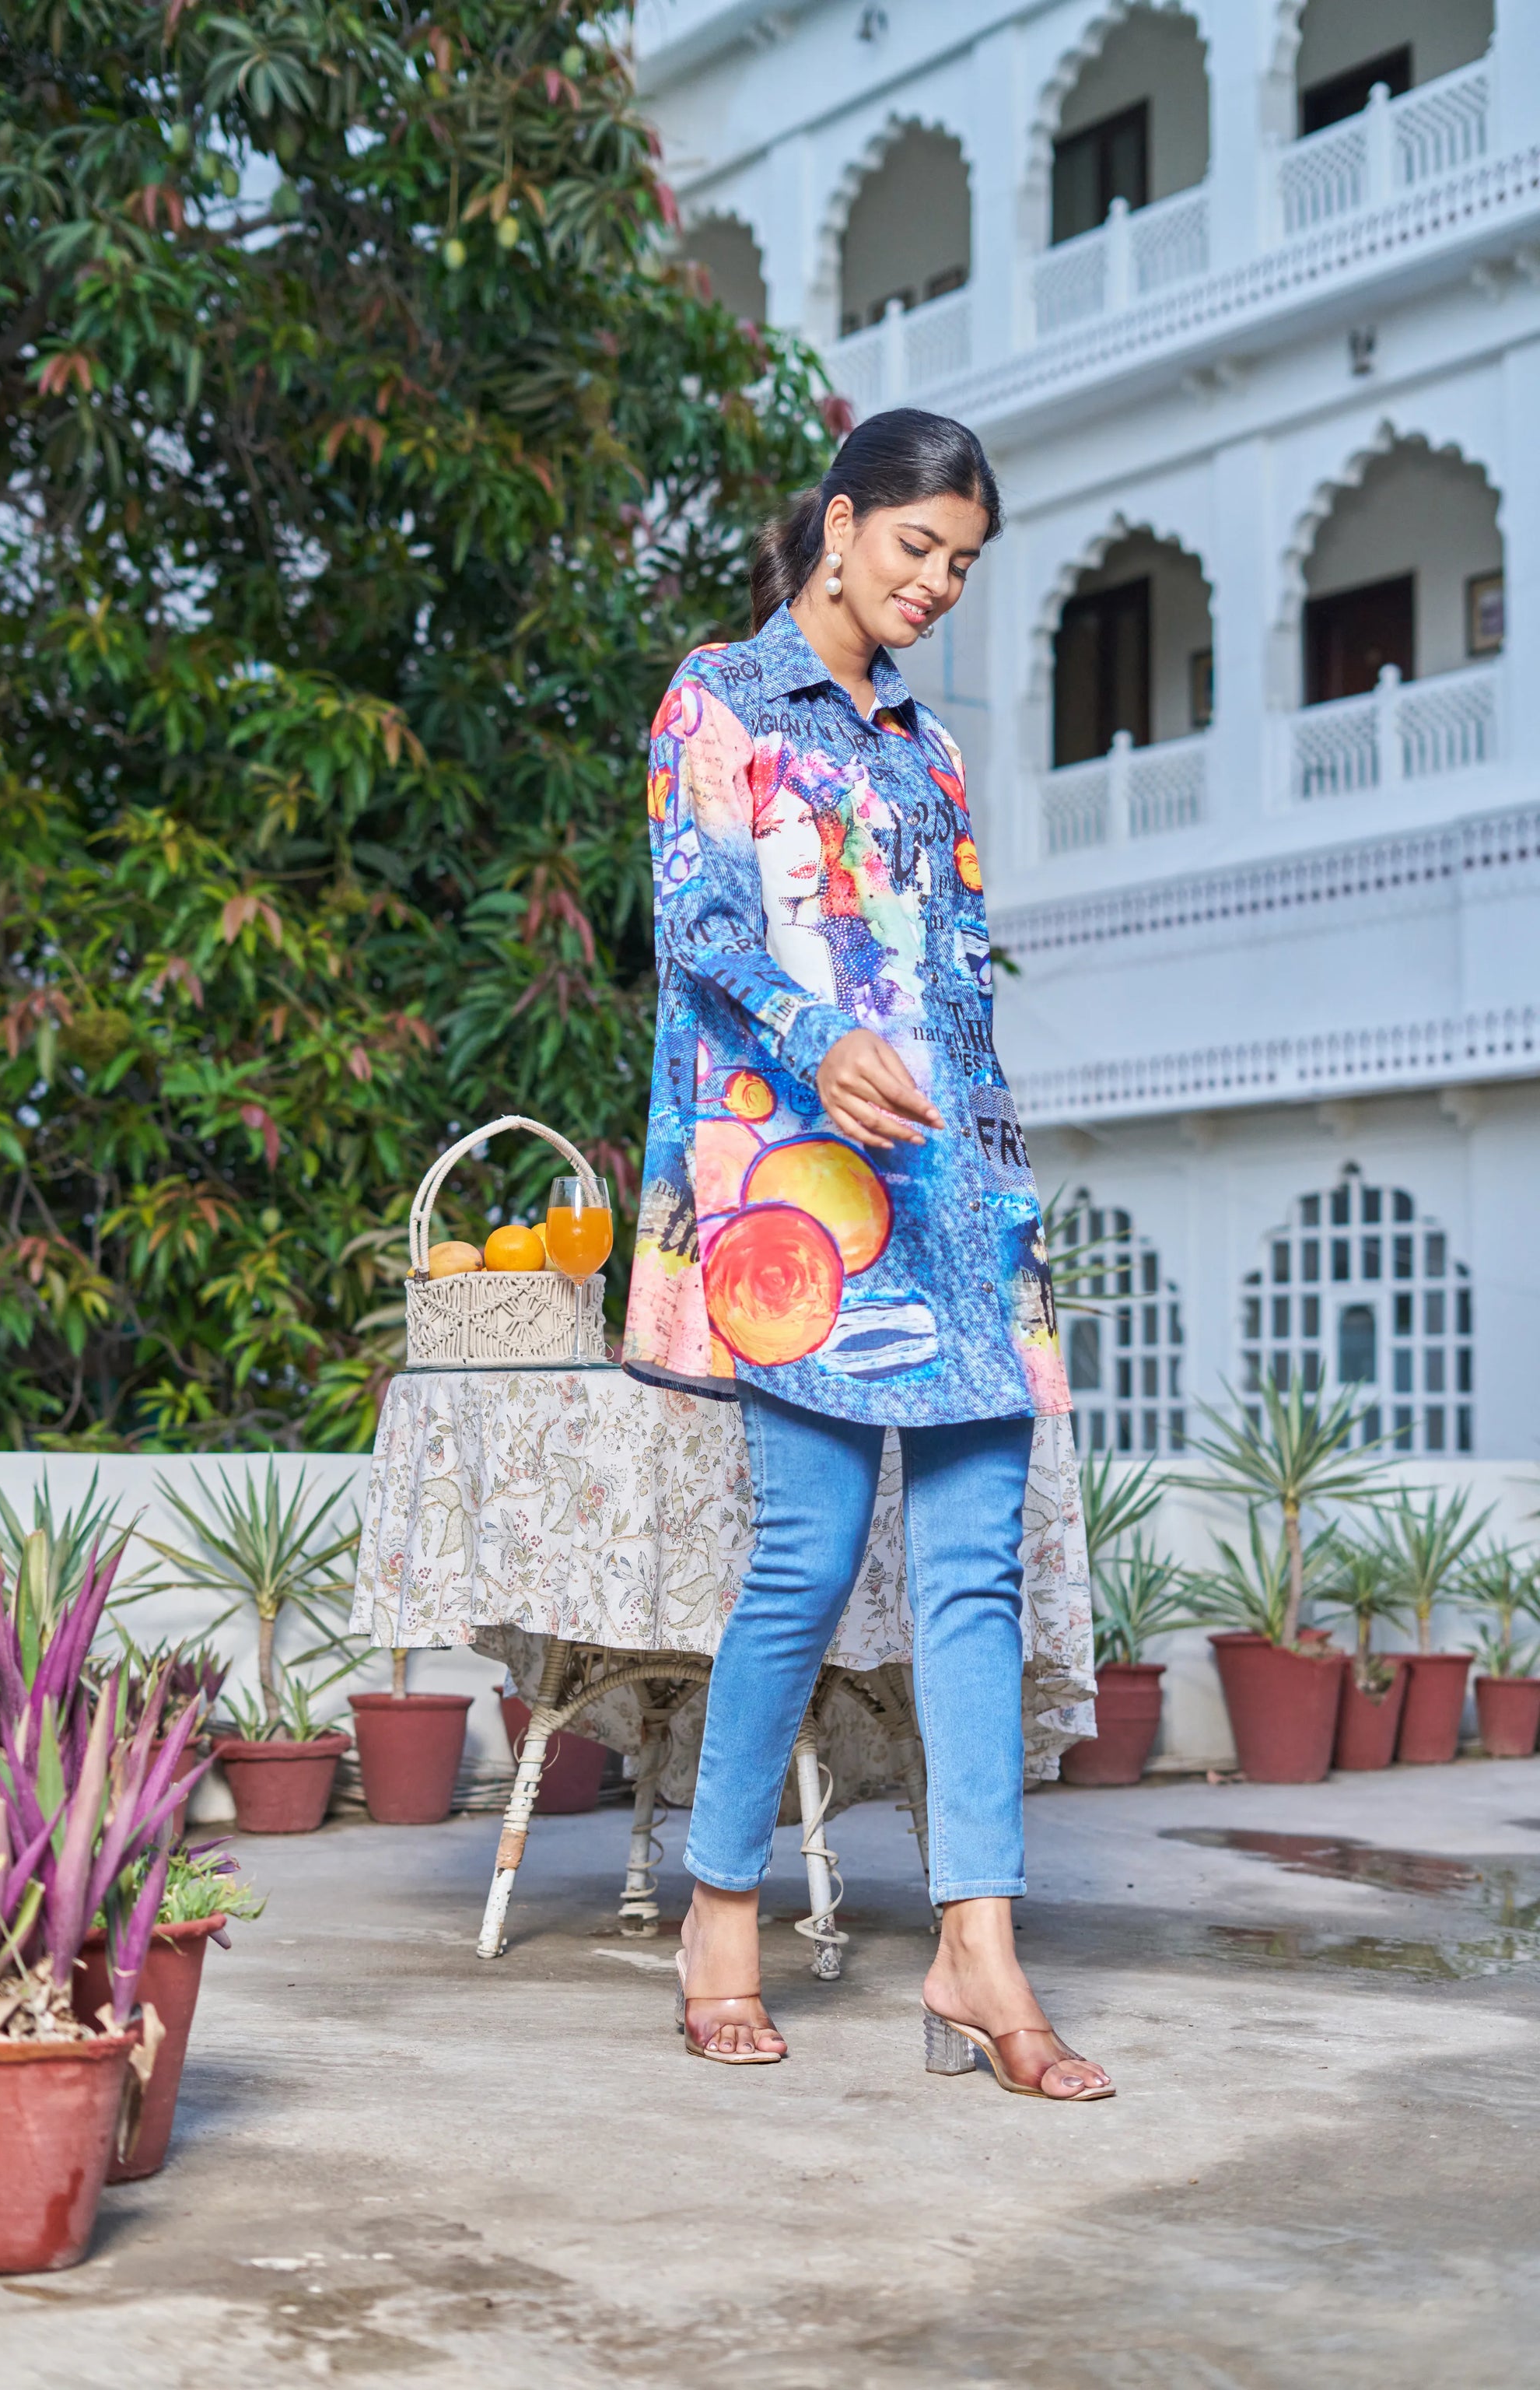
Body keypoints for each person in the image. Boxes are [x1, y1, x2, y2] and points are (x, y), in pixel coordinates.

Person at [623, 408, 1111, 2101]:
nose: (938, 584)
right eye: (919, 547)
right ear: (839, 527)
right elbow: (699, 929)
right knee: (808, 1560)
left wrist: (1003, 1192)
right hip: (797, 1197)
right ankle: (721, 1910)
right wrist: (818, 1038)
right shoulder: (719, 701)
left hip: (956, 1198)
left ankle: (980, 1949)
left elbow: (963, 995)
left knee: (975, 1573)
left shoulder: (934, 754)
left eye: (964, 564)